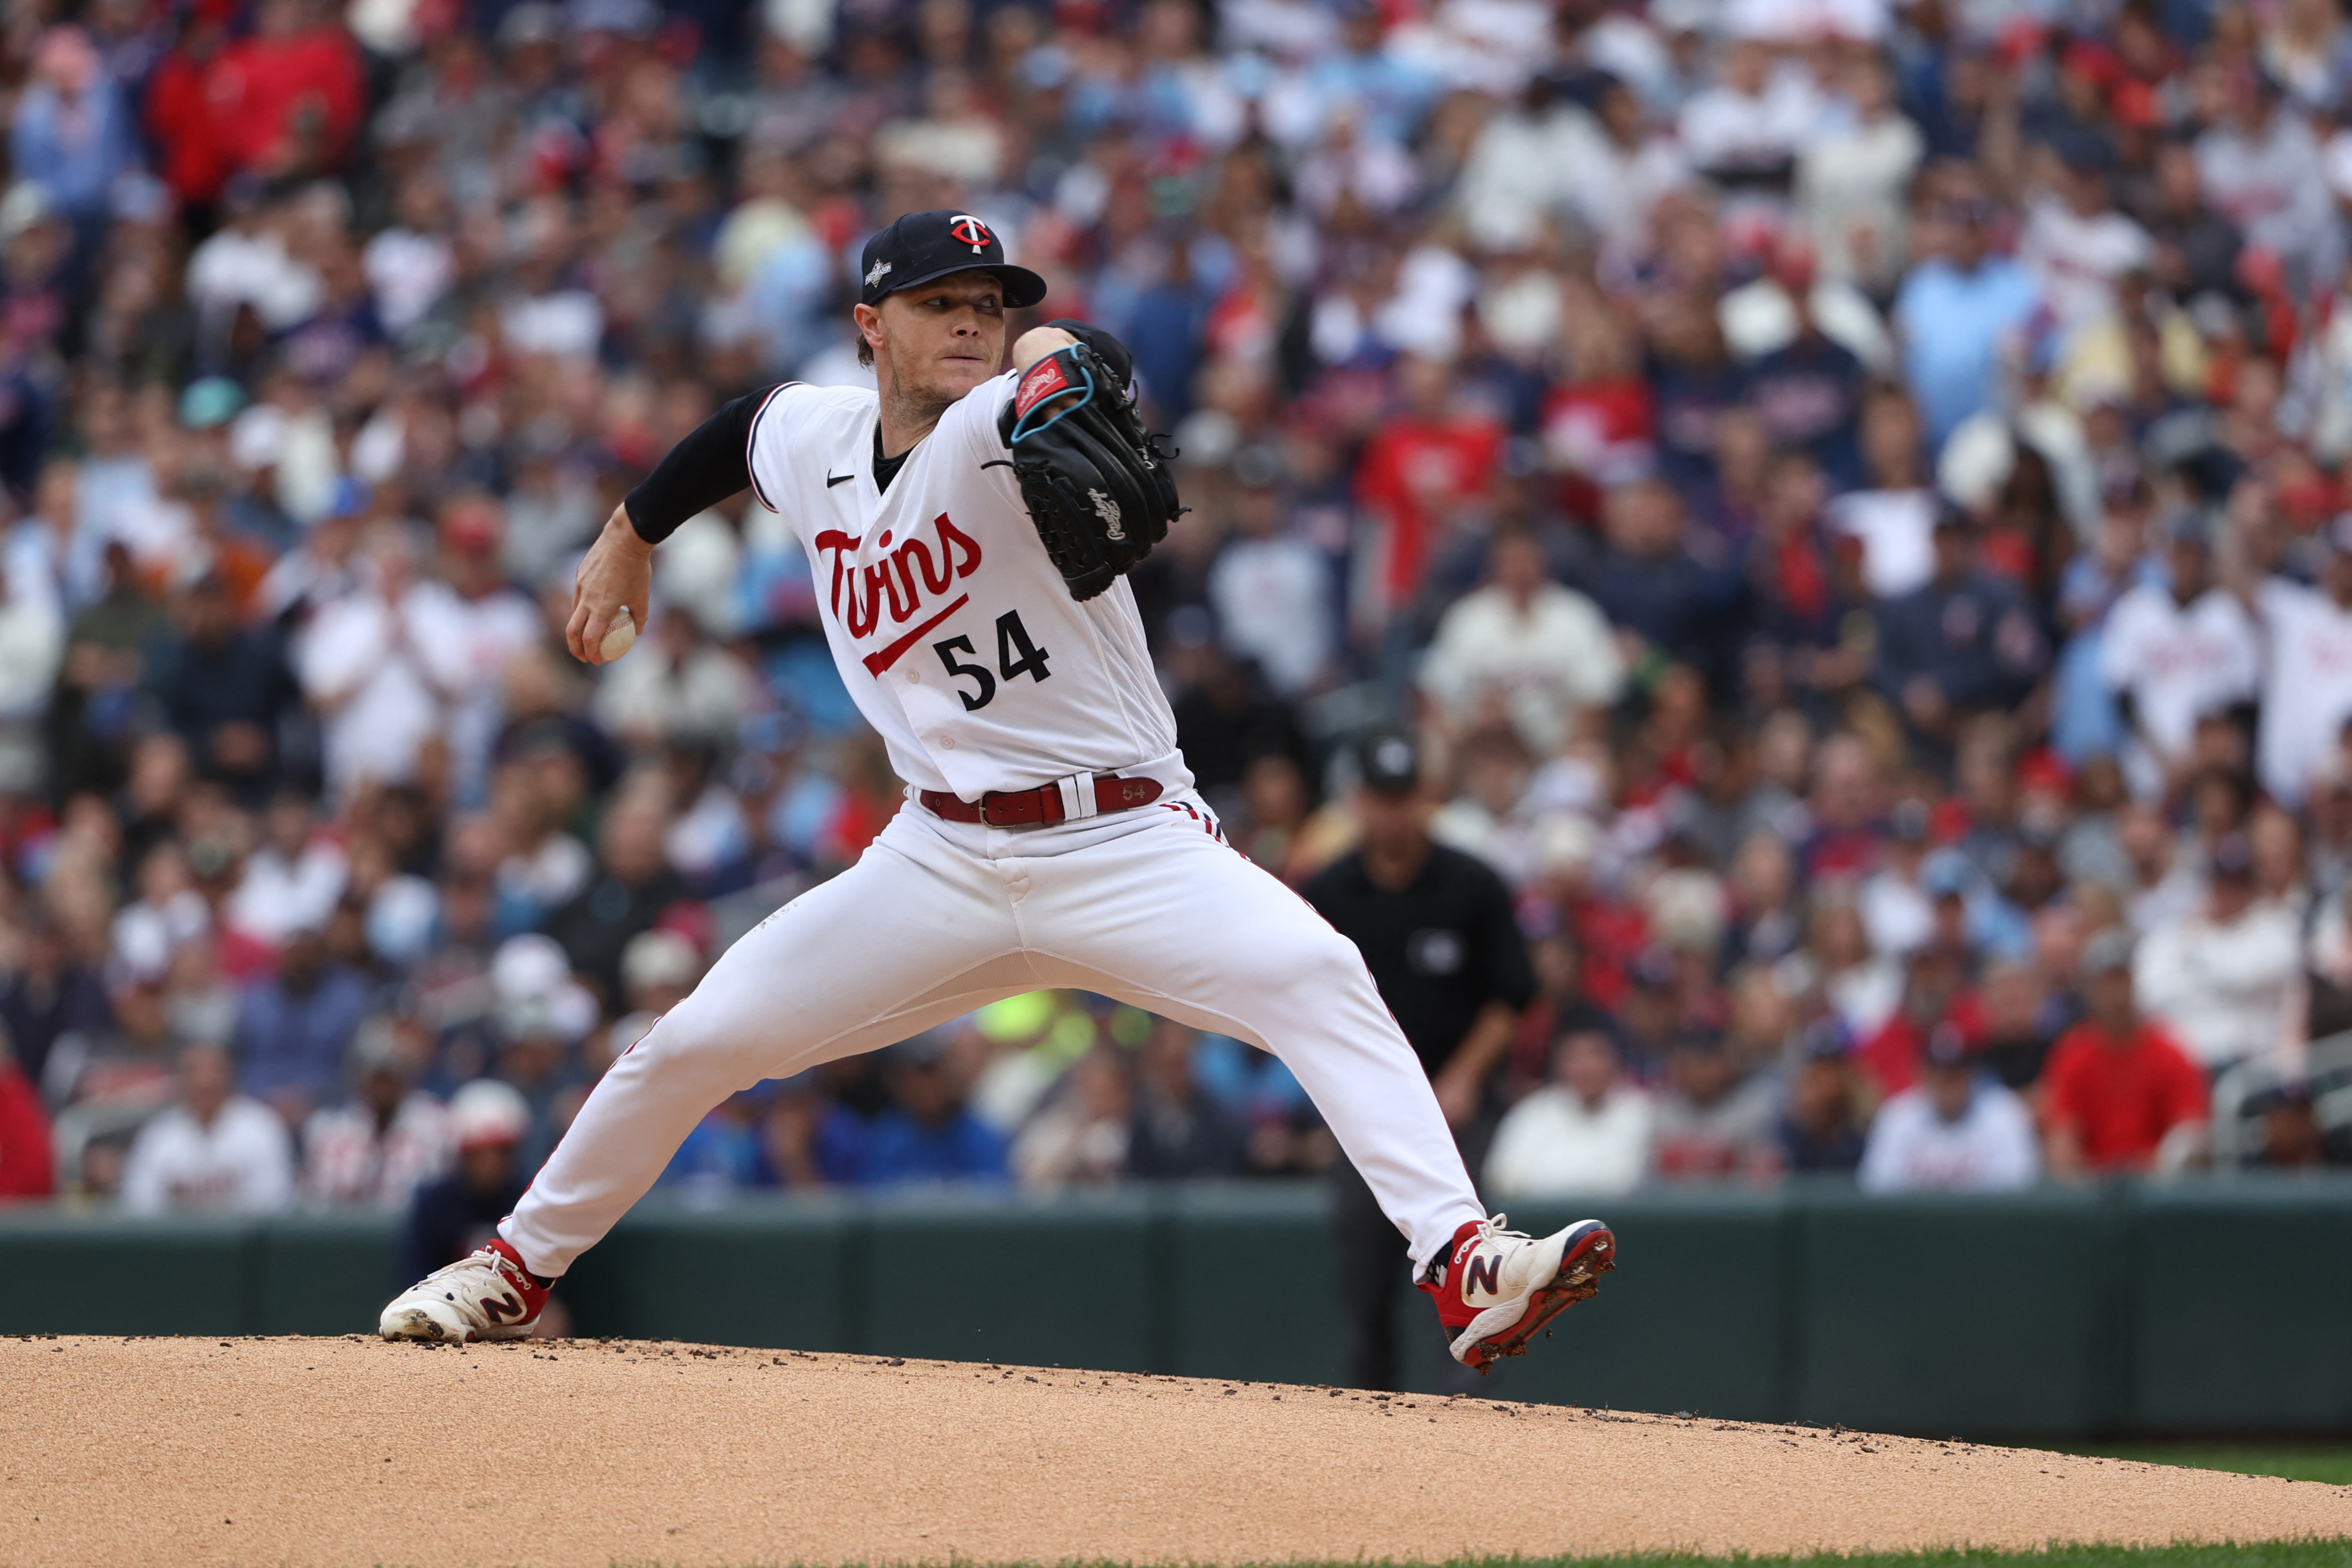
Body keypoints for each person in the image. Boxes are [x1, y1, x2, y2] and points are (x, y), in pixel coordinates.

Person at [377, 213, 1618, 1370]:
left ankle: (1462, 1258)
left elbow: (1080, 354)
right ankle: (513, 1266)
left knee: (1321, 975)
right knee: (695, 1039)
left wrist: (1055, 355)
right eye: (940, 302)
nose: (971, 321)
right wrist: (629, 532)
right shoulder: (817, 438)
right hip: (940, 863)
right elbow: (742, 427)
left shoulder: (998, 423)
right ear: (872, 325)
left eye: (988, 302)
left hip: (1126, 838)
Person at [1302, 724, 1540, 1389]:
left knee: (1471, 1272)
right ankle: (1371, 1436)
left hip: (1461, 1106)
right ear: (1357, 800)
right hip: (1364, 1117)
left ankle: (1464, 1435)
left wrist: (1461, 1078)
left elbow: (1511, 993)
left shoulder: (1471, 884)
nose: (1393, 811)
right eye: (1381, 796)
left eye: (1404, 796)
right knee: (1365, 1287)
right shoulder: (1328, 891)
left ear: (1427, 799)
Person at [2041, 929, 2210, 1175]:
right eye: (2106, 981)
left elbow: (2190, 1136)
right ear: (2090, 988)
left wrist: (2152, 1170)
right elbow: (2062, 1142)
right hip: (2094, 1194)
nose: (2115, 991)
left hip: (2158, 1191)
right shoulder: (2072, 1055)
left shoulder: (2169, 1051)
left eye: (2122, 978)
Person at [2133, 832, 2300, 1074]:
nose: (2228, 892)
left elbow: (2245, 978)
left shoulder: (2276, 925)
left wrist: (2195, 961)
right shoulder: (2177, 933)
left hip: (2253, 1065)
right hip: (2187, 1066)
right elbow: (2148, 992)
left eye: (2238, 883)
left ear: (2252, 885)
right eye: (2222, 882)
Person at [1857, 1021, 2041, 1192]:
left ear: (1973, 1075)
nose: (1947, 1083)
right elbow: (1877, 1188)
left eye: (1956, 1073)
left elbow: (2019, 1189)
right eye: (1939, 1073)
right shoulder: (1898, 1116)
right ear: (1924, 1075)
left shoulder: (2005, 1113)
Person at [120, 1041, 295, 1214]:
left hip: (243, 1239)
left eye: (215, 1071)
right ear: (181, 1080)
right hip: (176, 1240)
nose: (205, 1081)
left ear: (230, 1076)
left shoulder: (261, 1126)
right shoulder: (159, 1134)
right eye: (194, 1072)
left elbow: (274, 1202)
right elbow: (140, 1204)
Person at [1484, 1029, 1653, 1199]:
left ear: (1615, 1061)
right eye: (1574, 1057)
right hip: (1541, 1221)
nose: (1586, 1067)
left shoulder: (1639, 1112)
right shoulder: (1531, 1112)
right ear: (1559, 1064)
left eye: (1596, 1055)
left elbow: (1623, 1180)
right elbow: (1503, 1179)